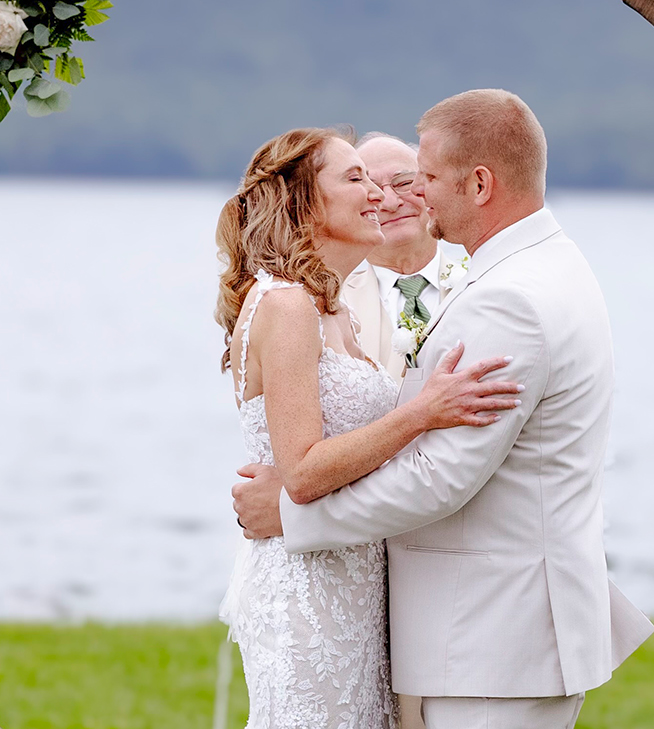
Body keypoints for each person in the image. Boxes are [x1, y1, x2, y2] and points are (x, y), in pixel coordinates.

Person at [232, 91, 654, 729]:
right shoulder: (543, 267)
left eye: (424, 177)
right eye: (361, 178)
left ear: (479, 183)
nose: (409, 196)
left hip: (494, 637)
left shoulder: (510, 297)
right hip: (473, 632)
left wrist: (289, 517)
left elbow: (440, 477)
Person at [214, 126, 522, 728]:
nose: (378, 193)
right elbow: (301, 473)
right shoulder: (286, 305)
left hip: (357, 581)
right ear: (305, 201)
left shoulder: (334, 311)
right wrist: (422, 412)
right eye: (356, 178)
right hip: (308, 589)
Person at [344, 133, 467, 379]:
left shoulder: (479, 284)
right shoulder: (331, 302)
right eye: (373, 190)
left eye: (403, 183)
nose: (390, 202)